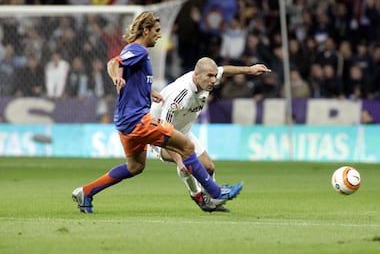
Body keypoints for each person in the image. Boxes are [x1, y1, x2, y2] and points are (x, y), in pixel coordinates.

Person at [71, 11, 243, 213]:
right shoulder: (138, 50)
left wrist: (148, 91)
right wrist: (116, 77)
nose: (159, 35)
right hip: (138, 120)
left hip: (125, 121)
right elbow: (113, 63)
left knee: (135, 167)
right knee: (187, 147)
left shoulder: (138, 54)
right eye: (156, 31)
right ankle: (215, 193)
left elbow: (132, 79)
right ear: (146, 30)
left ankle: (86, 192)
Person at [150, 57, 271, 212]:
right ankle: (198, 196)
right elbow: (164, 130)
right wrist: (180, 161)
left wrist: (250, 69)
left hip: (183, 131)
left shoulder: (206, 79)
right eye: (209, 76)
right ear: (196, 75)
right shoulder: (179, 95)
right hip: (158, 135)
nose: (214, 80)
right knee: (185, 166)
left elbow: (225, 70)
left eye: (215, 76)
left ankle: (212, 200)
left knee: (209, 167)